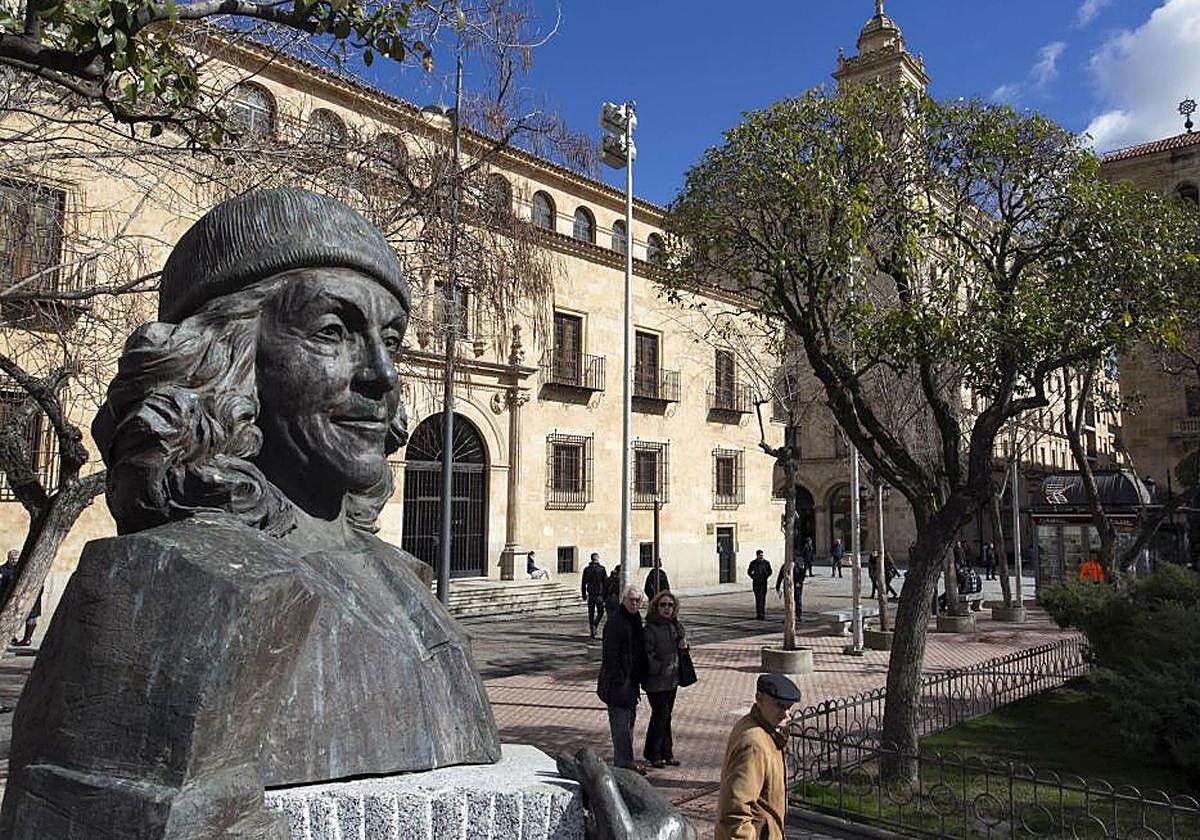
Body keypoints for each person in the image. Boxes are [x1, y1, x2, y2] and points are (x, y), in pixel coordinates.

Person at [715, 673, 801, 840]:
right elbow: (735, 813)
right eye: (779, 706)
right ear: (759, 699)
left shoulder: (765, 730)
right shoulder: (754, 743)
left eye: (789, 707)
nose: (786, 714)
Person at [597, 585, 647, 773]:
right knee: (620, 724)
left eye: (638, 601)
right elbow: (610, 654)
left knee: (629, 722)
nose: (634, 603)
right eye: (631, 600)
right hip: (618, 682)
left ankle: (626, 760)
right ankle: (623, 763)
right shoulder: (616, 622)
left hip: (631, 681)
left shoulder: (635, 620)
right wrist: (619, 677)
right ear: (623, 600)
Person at [642, 591, 686, 769]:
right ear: (656, 607)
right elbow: (647, 653)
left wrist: (684, 646)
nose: (667, 608)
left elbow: (680, 647)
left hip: (672, 679)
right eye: (663, 605)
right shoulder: (650, 628)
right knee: (660, 715)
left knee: (666, 716)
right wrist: (659, 668)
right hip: (656, 681)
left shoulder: (675, 626)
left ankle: (666, 753)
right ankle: (653, 754)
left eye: (670, 605)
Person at [581, 552, 608, 638]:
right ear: (597, 559)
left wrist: (584, 594)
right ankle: (594, 625)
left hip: (591, 594)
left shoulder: (587, 569)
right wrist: (605, 595)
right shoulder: (602, 569)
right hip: (598, 594)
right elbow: (605, 583)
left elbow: (583, 583)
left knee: (591, 613)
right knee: (600, 611)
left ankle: (592, 629)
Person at [774, 552, 805, 623]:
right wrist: (778, 586)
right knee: (788, 601)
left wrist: (799, 582)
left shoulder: (798, 566)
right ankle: (788, 616)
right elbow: (780, 577)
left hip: (797, 587)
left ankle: (798, 616)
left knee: (798, 601)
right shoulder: (784, 566)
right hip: (788, 587)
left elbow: (802, 575)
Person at [747, 549, 773, 620]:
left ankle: (762, 614)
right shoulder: (753, 563)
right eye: (760, 555)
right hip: (756, 583)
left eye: (762, 555)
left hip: (763, 583)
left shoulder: (766, 563)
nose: (761, 556)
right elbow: (749, 571)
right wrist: (753, 577)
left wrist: (766, 575)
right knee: (758, 599)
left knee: (763, 599)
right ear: (757, 555)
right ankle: (758, 614)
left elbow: (770, 571)